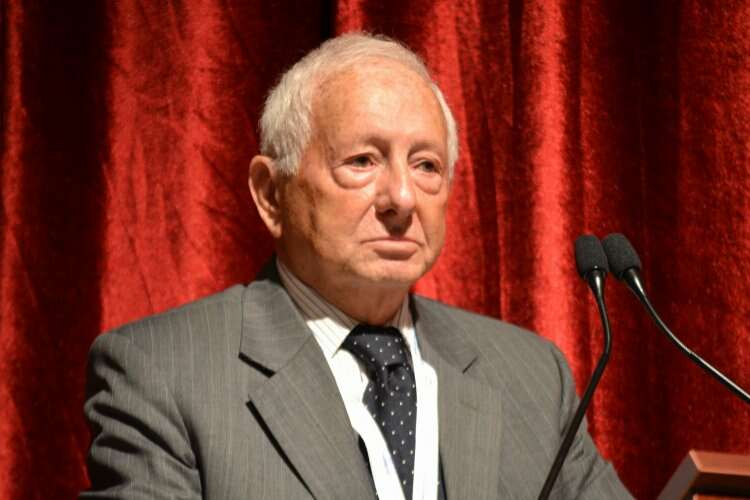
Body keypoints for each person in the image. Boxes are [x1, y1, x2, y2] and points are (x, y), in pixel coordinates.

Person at [81, 33, 632, 499]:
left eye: (426, 165)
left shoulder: (532, 376)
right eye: (363, 161)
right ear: (271, 194)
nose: (402, 198)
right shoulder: (163, 372)